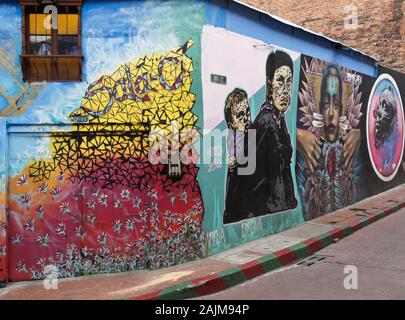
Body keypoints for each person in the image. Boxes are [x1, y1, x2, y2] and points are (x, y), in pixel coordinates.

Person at [297, 64, 361, 215]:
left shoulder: (350, 145)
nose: (331, 113)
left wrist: (361, 135)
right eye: (326, 103)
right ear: (319, 107)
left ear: (343, 109)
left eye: (336, 104)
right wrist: (294, 135)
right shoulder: (307, 147)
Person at [247, 50, 298, 216]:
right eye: (280, 81)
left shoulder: (279, 120)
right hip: (268, 208)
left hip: (281, 206)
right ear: (269, 86)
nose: (285, 90)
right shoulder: (266, 120)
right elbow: (254, 175)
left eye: (289, 82)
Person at [223, 88, 253, 224]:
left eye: (247, 112)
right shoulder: (235, 138)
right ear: (231, 123)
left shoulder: (250, 135)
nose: (246, 119)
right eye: (240, 116)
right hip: (237, 208)